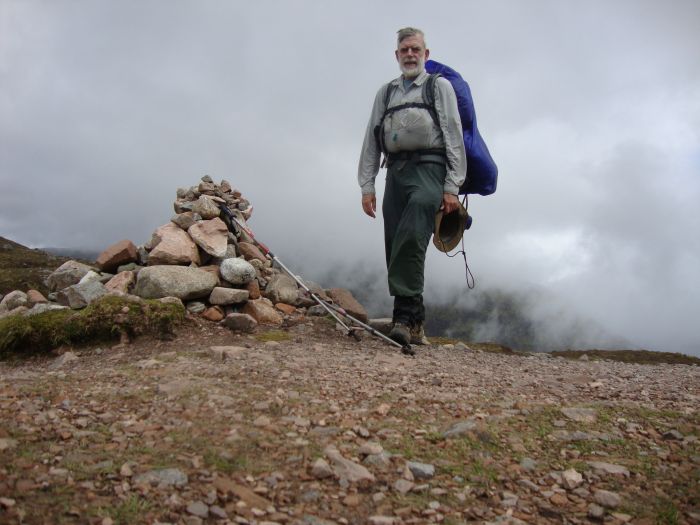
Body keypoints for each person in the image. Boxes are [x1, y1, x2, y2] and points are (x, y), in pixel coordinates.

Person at [358, 27, 467, 352]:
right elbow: (371, 137)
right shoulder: (386, 92)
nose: (410, 54)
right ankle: (416, 321)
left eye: (415, 49)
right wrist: (367, 184)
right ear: (397, 55)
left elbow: (453, 132)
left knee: (411, 236)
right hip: (395, 172)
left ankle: (402, 320)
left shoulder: (439, 87)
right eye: (404, 49)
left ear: (426, 54)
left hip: (429, 170)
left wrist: (452, 185)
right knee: (395, 241)